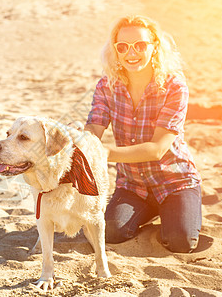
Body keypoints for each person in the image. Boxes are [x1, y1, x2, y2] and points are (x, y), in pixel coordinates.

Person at [84, 15, 202, 253]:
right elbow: (93, 128)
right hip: (132, 184)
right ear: (115, 51)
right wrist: (82, 141)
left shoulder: (174, 86)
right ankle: (150, 211)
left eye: (140, 45)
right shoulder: (106, 86)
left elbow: (157, 149)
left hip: (175, 182)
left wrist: (100, 152)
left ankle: (177, 211)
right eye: (123, 46)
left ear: (154, 46)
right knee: (111, 233)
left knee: (181, 241)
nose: (131, 53)